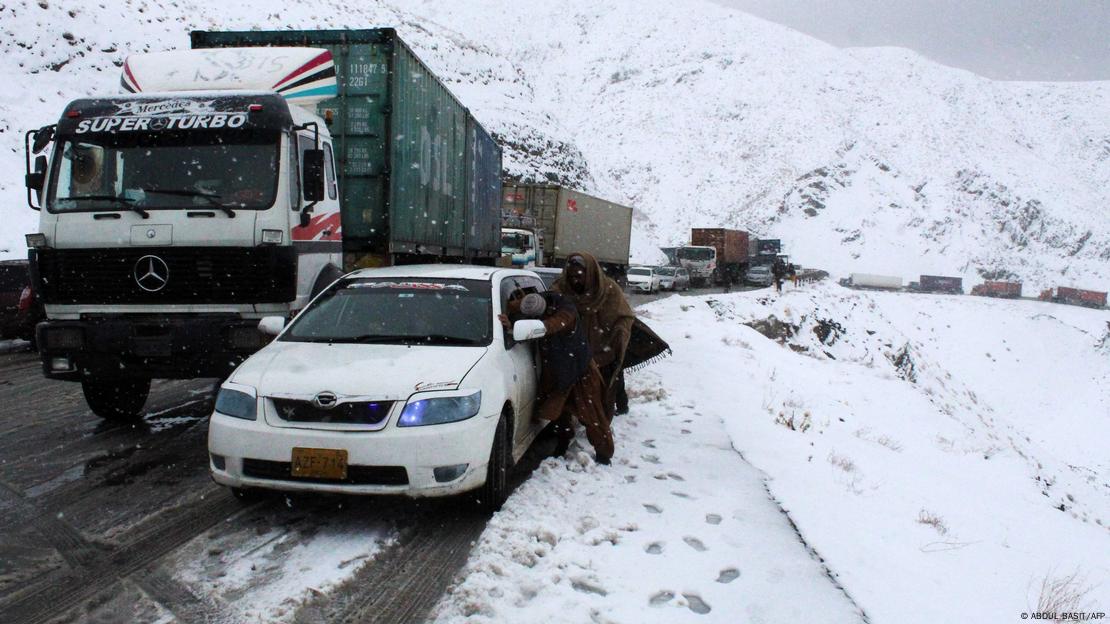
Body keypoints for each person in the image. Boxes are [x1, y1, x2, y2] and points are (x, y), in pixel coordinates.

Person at [500, 290, 614, 464]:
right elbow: (512, 306)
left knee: (591, 414)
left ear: (545, 309)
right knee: (560, 412)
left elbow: (555, 324)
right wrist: (510, 322)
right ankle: (562, 443)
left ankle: (604, 454)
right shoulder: (532, 301)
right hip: (556, 369)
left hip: (579, 369)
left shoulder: (565, 310)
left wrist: (537, 327)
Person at [553, 253, 635, 416]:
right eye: (571, 276)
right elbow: (549, 312)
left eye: (579, 276)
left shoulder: (608, 290)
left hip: (602, 353)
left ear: (590, 273)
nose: (575, 280)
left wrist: (616, 338)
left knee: (605, 397)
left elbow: (624, 317)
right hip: (572, 353)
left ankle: (606, 420)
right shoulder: (561, 289)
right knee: (568, 400)